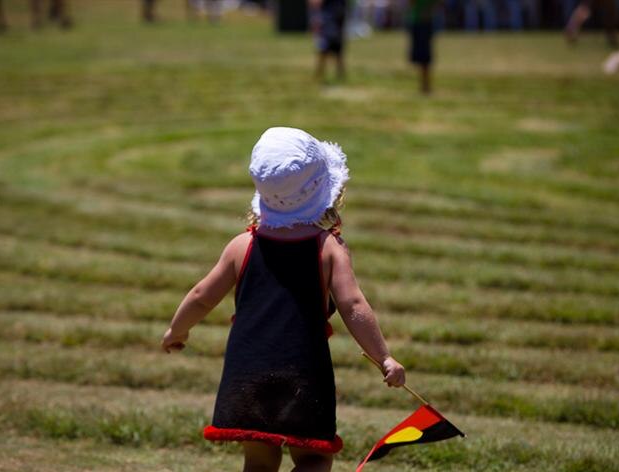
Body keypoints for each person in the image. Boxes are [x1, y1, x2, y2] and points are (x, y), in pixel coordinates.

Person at [160, 127, 406, 472]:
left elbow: (202, 296)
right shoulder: (327, 248)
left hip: (247, 371)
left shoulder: (241, 246)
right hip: (302, 371)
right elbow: (352, 306)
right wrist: (384, 358)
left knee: (259, 462)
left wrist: (177, 330)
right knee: (315, 458)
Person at [310, 0, 348, 82]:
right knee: (325, 48)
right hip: (329, 19)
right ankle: (320, 73)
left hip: (335, 18)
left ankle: (339, 74)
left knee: (336, 48)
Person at [408, 0, 438, 94]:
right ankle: (424, 86)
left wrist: (428, 11)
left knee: (424, 57)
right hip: (418, 21)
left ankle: (425, 86)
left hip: (424, 22)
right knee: (421, 58)